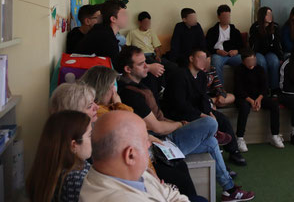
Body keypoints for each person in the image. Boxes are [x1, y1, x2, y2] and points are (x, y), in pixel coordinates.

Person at [117, 46, 253, 199]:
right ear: (128, 69)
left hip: (168, 132)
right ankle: (212, 133)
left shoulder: (141, 85)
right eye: (141, 64)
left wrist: (188, 119)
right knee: (210, 123)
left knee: (211, 141)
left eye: (145, 62)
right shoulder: (130, 94)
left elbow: (163, 117)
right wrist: (181, 124)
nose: (146, 66)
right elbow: (157, 127)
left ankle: (229, 190)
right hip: (159, 146)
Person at [80, 65, 201, 199]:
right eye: (112, 86)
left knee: (185, 165)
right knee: (208, 126)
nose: (114, 90)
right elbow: (129, 125)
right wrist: (119, 104)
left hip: (144, 165)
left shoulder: (108, 107)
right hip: (142, 164)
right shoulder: (102, 114)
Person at [79, 110, 204, 202]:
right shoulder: (120, 198)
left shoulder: (131, 172)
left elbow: (171, 194)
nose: (149, 144)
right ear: (130, 155)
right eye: (145, 141)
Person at [162, 49, 246, 167]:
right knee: (208, 123)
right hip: (178, 112)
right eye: (200, 58)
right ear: (191, 59)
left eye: (205, 59)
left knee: (222, 119)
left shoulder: (202, 75)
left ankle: (234, 152)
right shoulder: (179, 75)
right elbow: (180, 104)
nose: (203, 61)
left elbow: (203, 97)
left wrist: (209, 112)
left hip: (197, 110)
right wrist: (202, 115)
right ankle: (216, 152)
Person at [76, 0, 165, 81]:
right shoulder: (105, 37)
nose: (127, 17)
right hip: (89, 81)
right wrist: (148, 67)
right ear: (113, 19)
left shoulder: (103, 31)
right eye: (123, 15)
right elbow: (118, 69)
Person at [26, 111, 92, 202]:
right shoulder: (76, 179)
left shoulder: (47, 168)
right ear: (74, 145)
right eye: (90, 135)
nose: (94, 139)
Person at [234, 49, 284, 151]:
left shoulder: (260, 69)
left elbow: (264, 87)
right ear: (243, 61)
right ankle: (240, 138)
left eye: (253, 60)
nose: (251, 63)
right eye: (248, 61)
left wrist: (259, 99)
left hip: (258, 97)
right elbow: (238, 90)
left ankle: (274, 135)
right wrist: (251, 101)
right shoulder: (239, 70)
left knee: (274, 105)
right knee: (244, 108)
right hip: (244, 98)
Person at [206, 5, 243, 84]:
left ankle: (240, 88)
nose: (227, 18)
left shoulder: (235, 31)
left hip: (233, 55)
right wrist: (217, 51)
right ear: (218, 17)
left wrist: (236, 51)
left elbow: (242, 46)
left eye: (228, 16)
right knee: (216, 61)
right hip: (218, 55)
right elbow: (207, 47)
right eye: (224, 17)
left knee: (245, 60)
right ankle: (220, 89)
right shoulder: (212, 31)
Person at [249, 6, 283, 93]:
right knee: (261, 62)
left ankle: (274, 89)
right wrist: (252, 55)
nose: (270, 16)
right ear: (262, 15)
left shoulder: (275, 27)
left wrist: (280, 57)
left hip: (270, 52)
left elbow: (278, 44)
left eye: (271, 14)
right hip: (258, 52)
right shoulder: (255, 27)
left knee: (274, 62)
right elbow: (253, 44)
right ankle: (264, 88)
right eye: (267, 14)